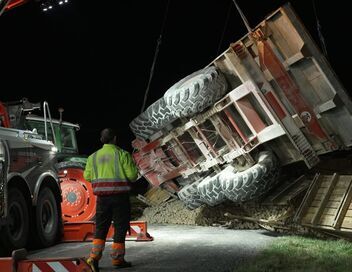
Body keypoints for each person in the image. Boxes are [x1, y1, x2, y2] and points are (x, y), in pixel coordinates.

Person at [84, 128, 138, 271]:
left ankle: (93, 258)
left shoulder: (92, 157)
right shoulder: (122, 154)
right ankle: (117, 260)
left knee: (101, 228)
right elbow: (133, 176)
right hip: (120, 198)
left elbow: (87, 176)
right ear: (114, 139)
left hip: (102, 199)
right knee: (120, 227)